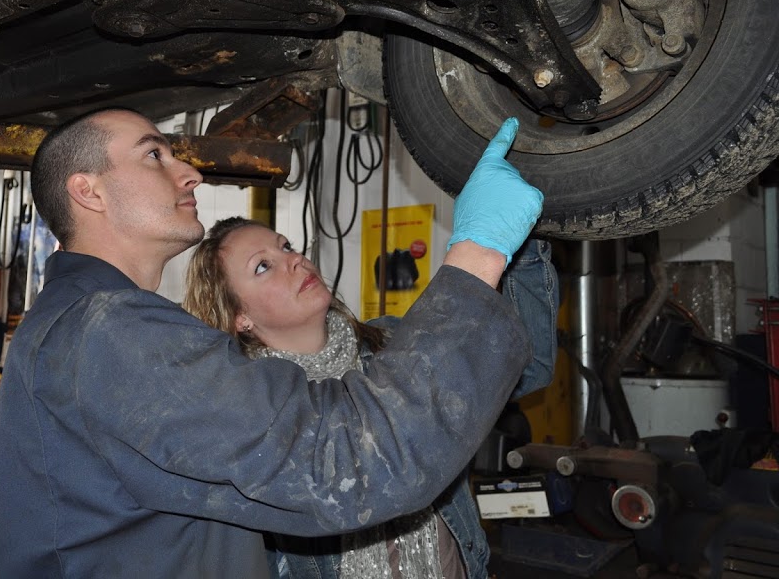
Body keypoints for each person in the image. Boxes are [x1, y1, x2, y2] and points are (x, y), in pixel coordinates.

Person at [0, 108, 544, 578]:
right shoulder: (107, 330)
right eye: (155, 155)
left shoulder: (85, 325)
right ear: (88, 191)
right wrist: (478, 252)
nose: (190, 174)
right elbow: (349, 464)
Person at [183, 220, 559, 579]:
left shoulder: (397, 347)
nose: (293, 259)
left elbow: (529, 367)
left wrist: (515, 240)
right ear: (239, 317)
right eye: (263, 266)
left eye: (286, 247)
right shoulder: (251, 413)